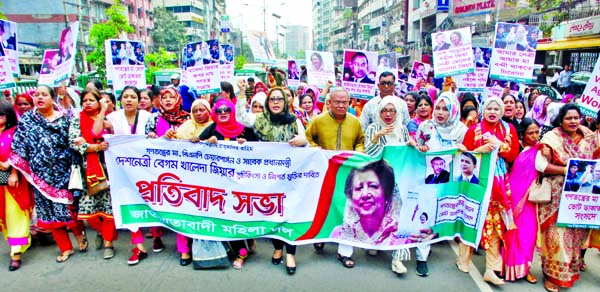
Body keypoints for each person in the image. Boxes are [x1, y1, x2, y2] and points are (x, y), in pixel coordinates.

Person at [236, 83, 307, 274]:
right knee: (274, 212)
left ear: (286, 102)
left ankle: (290, 253)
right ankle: (277, 248)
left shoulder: (294, 121)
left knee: (290, 213)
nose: (276, 102)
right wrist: (242, 93)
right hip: (267, 176)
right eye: (272, 99)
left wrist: (304, 141)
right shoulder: (260, 119)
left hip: (289, 176)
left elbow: (306, 144)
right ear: (268, 102)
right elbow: (241, 117)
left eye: (280, 99)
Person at [10, 85, 86, 264]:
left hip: (65, 172)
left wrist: (80, 140)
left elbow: (76, 137)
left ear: (52, 98)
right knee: (50, 213)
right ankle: (65, 248)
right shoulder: (27, 120)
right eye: (36, 95)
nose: (40, 98)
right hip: (39, 177)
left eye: (44, 95)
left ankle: (79, 236)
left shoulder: (65, 118)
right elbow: (18, 147)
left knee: (69, 209)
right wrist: (14, 173)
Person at [536, 104, 597, 292]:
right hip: (557, 197)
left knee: (575, 237)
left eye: (576, 118)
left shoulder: (589, 137)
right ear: (561, 120)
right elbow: (541, 165)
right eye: (568, 118)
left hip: (580, 199)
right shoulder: (551, 138)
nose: (573, 121)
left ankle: (569, 271)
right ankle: (551, 276)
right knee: (556, 237)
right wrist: (566, 170)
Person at [461, 96, 520, 285]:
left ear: (501, 112)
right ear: (483, 111)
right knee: (472, 220)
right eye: (489, 108)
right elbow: (466, 156)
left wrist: (498, 146)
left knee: (495, 226)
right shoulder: (473, 130)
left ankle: (492, 268)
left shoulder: (509, 130)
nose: (492, 112)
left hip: (499, 186)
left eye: (496, 109)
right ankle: (463, 258)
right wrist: (482, 149)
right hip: (477, 182)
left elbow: (513, 154)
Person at [306, 87, 364, 269]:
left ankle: (344, 252)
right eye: (336, 102)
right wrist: (318, 151)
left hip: (347, 174)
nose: (340, 105)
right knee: (324, 208)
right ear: (329, 103)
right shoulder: (318, 121)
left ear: (349, 103)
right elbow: (308, 139)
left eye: (344, 102)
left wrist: (358, 154)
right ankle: (321, 237)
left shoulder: (355, 122)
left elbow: (360, 142)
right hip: (324, 174)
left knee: (348, 211)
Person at [199, 99, 258, 270]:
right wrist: (205, 144)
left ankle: (249, 237)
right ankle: (241, 252)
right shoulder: (212, 129)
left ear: (232, 111)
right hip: (219, 184)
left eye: (226, 110)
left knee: (242, 215)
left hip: (242, 183)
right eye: (219, 111)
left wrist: (246, 145)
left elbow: (259, 152)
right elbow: (193, 146)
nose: (223, 113)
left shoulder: (245, 130)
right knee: (228, 216)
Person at [105, 86, 153, 265]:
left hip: (147, 168)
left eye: (133, 96)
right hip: (123, 170)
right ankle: (139, 246)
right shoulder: (113, 118)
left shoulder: (148, 118)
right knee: (129, 202)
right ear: (120, 100)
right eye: (125, 96)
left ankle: (156, 236)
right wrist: (103, 108)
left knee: (151, 200)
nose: (129, 100)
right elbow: (96, 133)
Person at [68, 89, 116, 260]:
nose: (87, 103)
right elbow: (76, 143)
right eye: (84, 100)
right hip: (86, 171)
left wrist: (102, 112)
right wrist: (95, 147)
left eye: (91, 100)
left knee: (108, 208)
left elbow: (109, 138)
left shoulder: (109, 120)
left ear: (99, 102)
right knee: (89, 211)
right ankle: (101, 232)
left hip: (109, 168)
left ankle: (109, 242)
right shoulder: (76, 121)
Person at [145, 87, 190, 264]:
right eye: (164, 97)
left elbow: (195, 140)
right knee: (162, 204)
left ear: (178, 99)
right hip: (159, 170)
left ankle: (184, 249)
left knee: (182, 208)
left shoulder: (187, 118)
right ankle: (156, 235)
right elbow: (145, 144)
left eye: (172, 97)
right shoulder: (153, 119)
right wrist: (156, 138)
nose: (168, 100)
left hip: (185, 170)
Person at [330, 159, 403, 246]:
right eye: (358, 188)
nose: (365, 194)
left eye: (373, 186)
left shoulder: (399, 238)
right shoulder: (338, 233)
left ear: (386, 192)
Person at [502, 118, 540, 283]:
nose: (535, 136)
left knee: (528, 234)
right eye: (530, 133)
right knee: (512, 231)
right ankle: (507, 267)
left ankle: (525, 269)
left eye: (537, 132)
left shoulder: (542, 149)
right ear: (522, 134)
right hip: (514, 194)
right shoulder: (515, 149)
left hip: (531, 198)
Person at [0, 101, 32, 271]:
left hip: (13, 179)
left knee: (15, 214)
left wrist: (12, 171)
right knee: (4, 214)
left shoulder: (14, 133)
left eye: (0, 114)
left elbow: (20, 153)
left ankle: (16, 253)